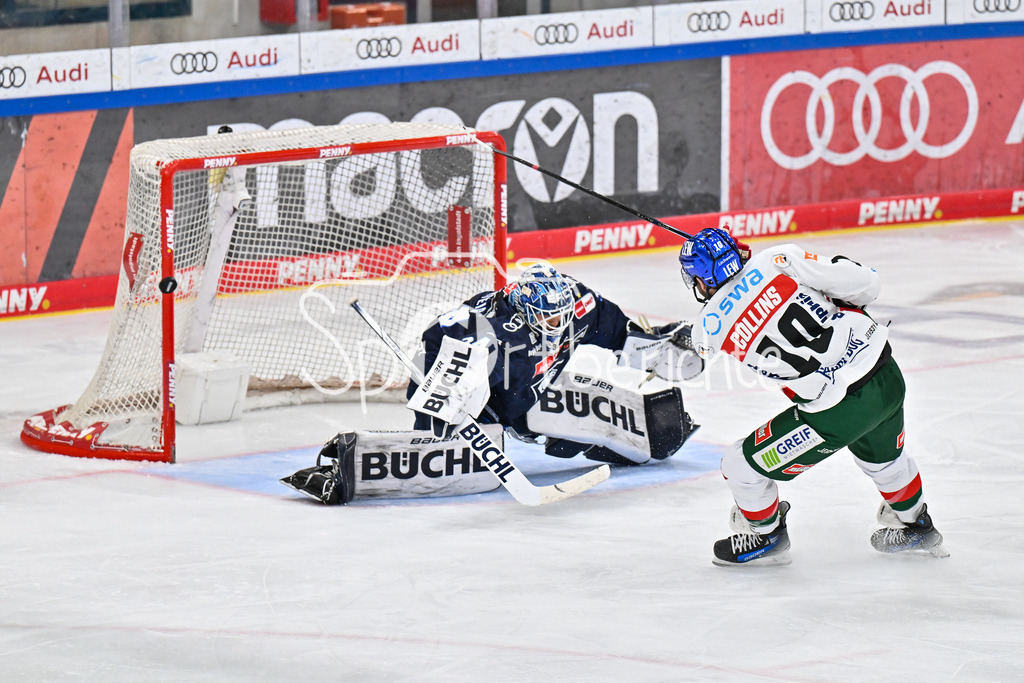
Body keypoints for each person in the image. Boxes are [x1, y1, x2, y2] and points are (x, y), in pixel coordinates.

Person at [281, 262, 701, 505]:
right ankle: (351, 469)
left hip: (532, 392)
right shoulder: (491, 328)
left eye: (561, 315)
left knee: (575, 418)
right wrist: (453, 395)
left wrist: (656, 346)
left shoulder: (577, 304)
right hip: (474, 404)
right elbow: (436, 340)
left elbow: (618, 331)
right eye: (548, 318)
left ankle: (656, 427)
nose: (558, 324)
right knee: (464, 466)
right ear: (525, 310)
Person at [677, 227, 946, 566]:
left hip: (838, 411)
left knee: (739, 466)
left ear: (701, 281)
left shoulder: (707, 327)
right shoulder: (778, 259)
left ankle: (766, 535)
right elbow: (868, 284)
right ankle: (918, 524)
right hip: (886, 376)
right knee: (885, 462)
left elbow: (692, 356)